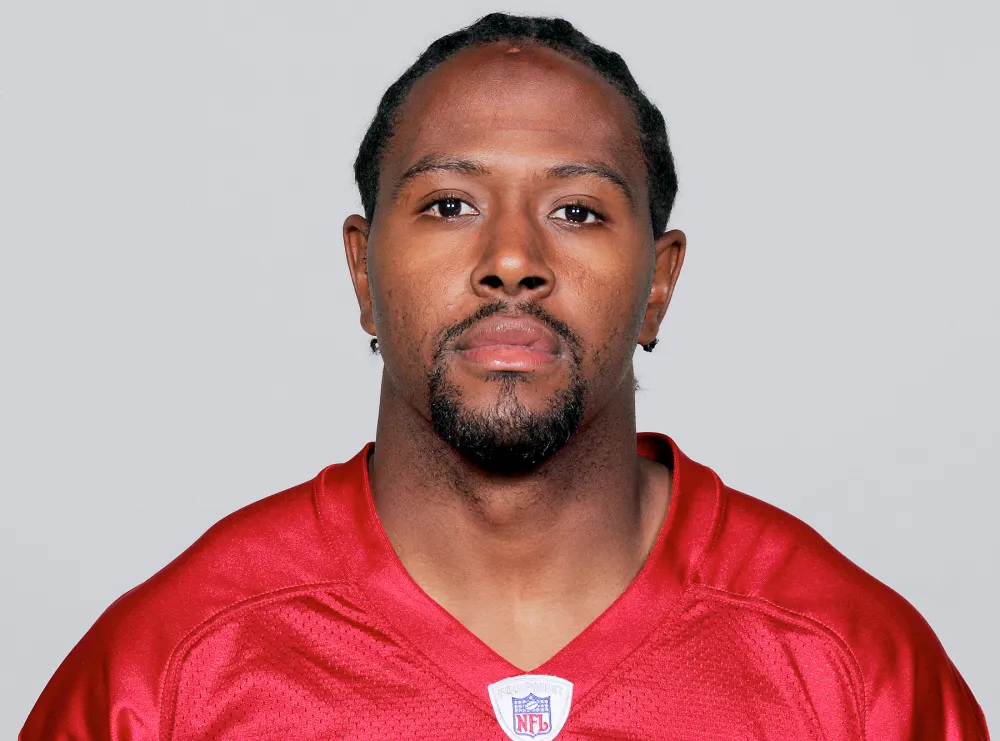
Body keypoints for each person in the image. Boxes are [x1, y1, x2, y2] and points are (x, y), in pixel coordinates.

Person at [21, 12, 988, 740]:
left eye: (577, 211)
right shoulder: (163, 678)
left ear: (660, 283)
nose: (513, 257)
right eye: (449, 204)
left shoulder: (858, 673)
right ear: (362, 272)